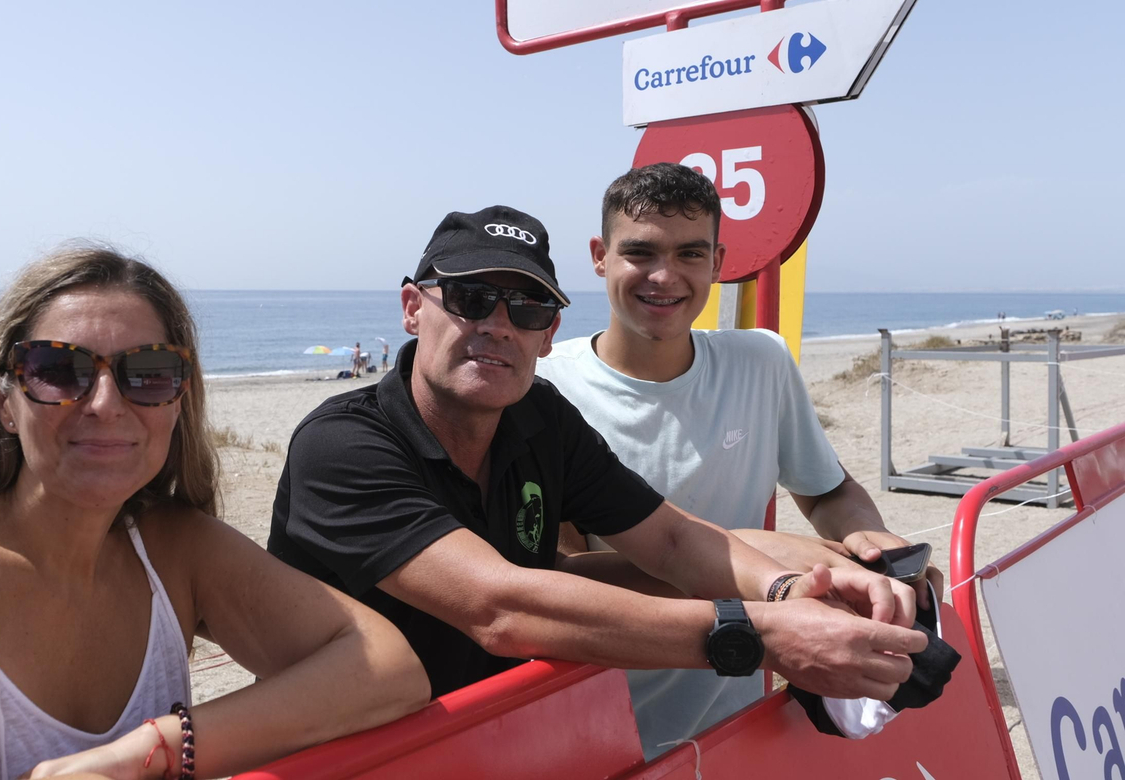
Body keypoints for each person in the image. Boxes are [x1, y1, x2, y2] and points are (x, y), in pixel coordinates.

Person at [0, 247, 428, 780]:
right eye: (58, 369)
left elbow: (389, 669)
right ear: (2, 399)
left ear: (178, 399)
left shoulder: (175, 550)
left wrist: (152, 750)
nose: (104, 402)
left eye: (149, 370)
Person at [267, 205, 925, 707]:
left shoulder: (539, 417)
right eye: (471, 298)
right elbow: (500, 607)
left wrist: (786, 591)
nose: (499, 323)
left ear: (549, 334)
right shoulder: (342, 446)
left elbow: (667, 536)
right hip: (362, 746)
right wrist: (762, 632)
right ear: (414, 307)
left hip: (506, 728)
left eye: (527, 308)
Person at [537, 163, 943, 758]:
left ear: (719, 263)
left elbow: (827, 492)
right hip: (604, 718)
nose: (664, 276)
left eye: (690, 254)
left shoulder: (761, 361)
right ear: (600, 256)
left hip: (739, 705)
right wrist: (768, 563)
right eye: (640, 252)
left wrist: (874, 545)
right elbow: (560, 571)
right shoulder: (544, 390)